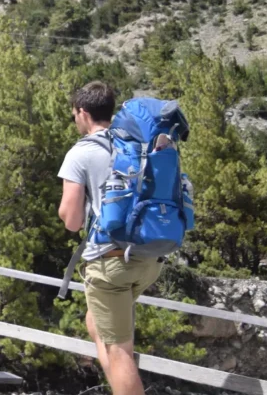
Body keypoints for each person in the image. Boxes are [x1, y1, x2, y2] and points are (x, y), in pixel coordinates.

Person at [58, 81, 160, 395]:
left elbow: (72, 221)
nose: (74, 119)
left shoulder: (82, 152)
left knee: (119, 351)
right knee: (94, 320)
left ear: (83, 112)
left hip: (110, 263)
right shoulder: (135, 142)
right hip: (149, 259)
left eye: (74, 113)